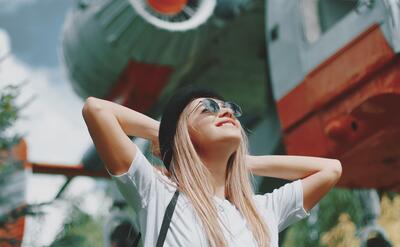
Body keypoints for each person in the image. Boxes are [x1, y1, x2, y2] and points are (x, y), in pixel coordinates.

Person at [82, 87, 342, 247]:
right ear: (184, 133)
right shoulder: (158, 194)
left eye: (231, 109)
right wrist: (170, 135)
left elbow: (330, 170)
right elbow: (96, 109)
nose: (226, 112)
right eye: (209, 108)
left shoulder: (262, 212)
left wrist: (245, 162)